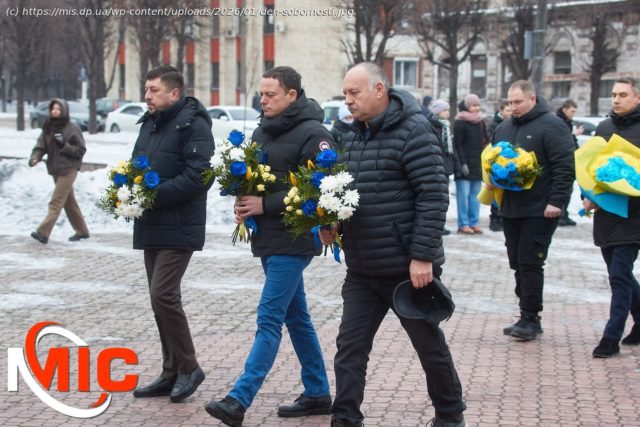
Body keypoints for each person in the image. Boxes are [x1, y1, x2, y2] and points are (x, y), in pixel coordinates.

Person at [322, 62, 466, 427]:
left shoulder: (414, 131)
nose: (347, 100)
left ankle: (450, 416)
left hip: (407, 269)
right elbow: (346, 192)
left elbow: (433, 196)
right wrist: (331, 222)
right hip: (362, 269)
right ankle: (345, 418)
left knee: (429, 347)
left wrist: (422, 256)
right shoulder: (351, 135)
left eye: (354, 92)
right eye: (345, 93)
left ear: (379, 90)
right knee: (350, 348)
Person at [205, 66, 332, 427]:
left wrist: (264, 204)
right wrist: (243, 199)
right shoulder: (263, 130)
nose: (263, 100)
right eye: (261, 94)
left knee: (269, 317)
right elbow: (257, 179)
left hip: (294, 239)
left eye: (270, 94)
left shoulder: (315, 134)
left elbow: (319, 189)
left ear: (292, 95)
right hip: (268, 238)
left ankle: (238, 399)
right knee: (297, 318)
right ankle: (318, 392)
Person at [131, 65, 214, 403]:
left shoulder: (194, 125)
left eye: (153, 90)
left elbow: (199, 176)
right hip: (151, 223)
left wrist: (154, 195)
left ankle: (189, 367)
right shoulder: (150, 123)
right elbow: (137, 164)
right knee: (158, 299)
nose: (147, 96)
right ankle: (171, 370)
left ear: (174, 93)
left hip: (180, 224)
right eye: (146, 89)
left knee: (163, 294)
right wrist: (127, 188)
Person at [494, 80, 575, 341]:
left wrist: (557, 202)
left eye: (518, 102)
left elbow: (564, 166)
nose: (513, 107)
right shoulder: (504, 127)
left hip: (540, 209)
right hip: (511, 208)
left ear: (533, 99)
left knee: (530, 262)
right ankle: (526, 314)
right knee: (517, 262)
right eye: (510, 102)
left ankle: (530, 317)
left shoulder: (552, 125)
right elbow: (492, 160)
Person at [584, 78, 640, 358]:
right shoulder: (604, 128)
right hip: (606, 213)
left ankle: (611, 337)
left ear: (637, 98)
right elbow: (590, 166)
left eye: (623, 95)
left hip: (634, 215)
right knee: (620, 274)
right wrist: (588, 194)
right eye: (614, 94)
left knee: (619, 275)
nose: (616, 99)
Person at [29, 98, 90, 244]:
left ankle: (43, 232)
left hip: (69, 169)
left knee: (56, 201)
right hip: (55, 169)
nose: (55, 111)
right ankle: (82, 231)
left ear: (64, 111)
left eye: (58, 109)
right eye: (53, 109)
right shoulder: (48, 127)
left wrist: (64, 145)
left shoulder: (72, 128)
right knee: (69, 202)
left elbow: (81, 150)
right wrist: (35, 157)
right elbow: (40, 146)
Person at [453, 94, 487, 235]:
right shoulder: (460, 122)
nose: (476, 108)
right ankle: (463, 224)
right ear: (467, 106)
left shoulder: (480, 121)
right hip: (464, 165)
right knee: (463, 196)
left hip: (477, 164)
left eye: (478, 105)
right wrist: (462, 163)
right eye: (473, 105)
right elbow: (458, 145)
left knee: (475, 196)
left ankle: (474, 222)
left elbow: (485, 141)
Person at [428, 99, 456, 236]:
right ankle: (436, 226)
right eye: (444, 110)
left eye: (448, 110)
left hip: (446, 167)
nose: (447, 113)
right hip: (436, 167)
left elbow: (450, 150)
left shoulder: (446, 126)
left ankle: (441, 225)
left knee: (444, 199)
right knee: (437, 198)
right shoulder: (431, 125)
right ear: (437, 111)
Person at [555, 99, 581, 226]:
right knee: (562, 188)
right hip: (562, 159)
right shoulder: (558, 121)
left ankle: (564, 214)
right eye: (572, 111)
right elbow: (563, 141)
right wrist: (574, 135)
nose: (573, 114)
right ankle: (560, 215)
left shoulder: (567, 122)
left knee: (568, 189)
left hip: (570, 158)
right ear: (564, 109)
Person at [487, 101, 512, 232]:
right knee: (497, 192)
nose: (510, 113)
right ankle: (495, 219)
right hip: (498, 162)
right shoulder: (495, 125)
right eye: (507, 110)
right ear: (501, 110)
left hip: (510, 162)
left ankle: (502, 218)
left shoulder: (512, 124)